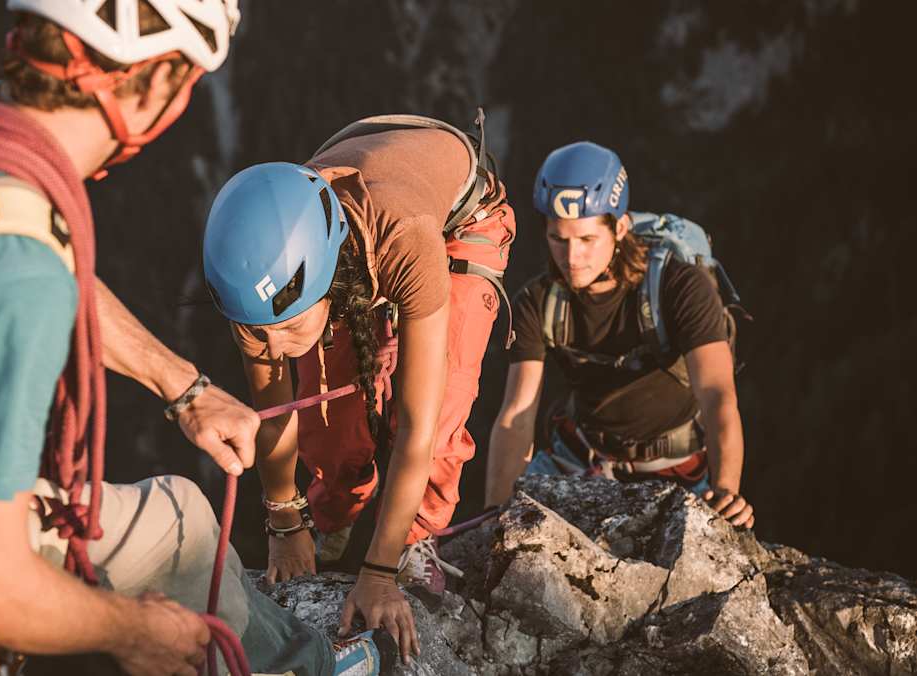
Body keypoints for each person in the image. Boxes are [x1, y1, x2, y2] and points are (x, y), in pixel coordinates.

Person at [0, 2, 385, 674]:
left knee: (181, 520)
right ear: (154, 84)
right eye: (184, 82)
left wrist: (183, 386)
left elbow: (50, 257)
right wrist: (133, 630)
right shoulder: (7, 274)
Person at [202, 115, 517, 663]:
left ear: (324, 284)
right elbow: (276, 411)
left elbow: (418, 426)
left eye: (284, 329)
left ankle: (416, 541)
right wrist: (284, 519)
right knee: (328, 429)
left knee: (442, 418)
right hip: (359, 220)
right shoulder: (261, 281)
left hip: (461, 216)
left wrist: (379, 573)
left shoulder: (404, 241)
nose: (269, 349)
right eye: (257, 333)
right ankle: (336, 518)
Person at [486, 141, 754, 529]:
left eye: (587, 239)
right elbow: (517, 415)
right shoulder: (537, 301)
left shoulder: (679, 288)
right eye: (558, 239)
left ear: (620, 227)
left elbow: (716, 393)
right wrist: (495, 515)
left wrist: (727, 491)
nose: (571, 257)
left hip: (676, 470)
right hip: (581, 456)